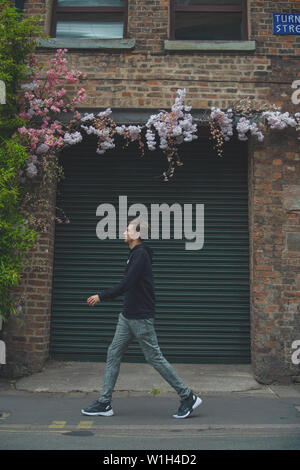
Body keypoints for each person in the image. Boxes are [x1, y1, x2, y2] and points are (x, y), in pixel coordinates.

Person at [81, 217, 202, 419]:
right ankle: (104, 403)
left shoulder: (140, 255)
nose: (123, 233)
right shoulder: (134, 254)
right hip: (127, 316)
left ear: (136, 234)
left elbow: (126, 283)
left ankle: (187, 396)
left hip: (139, 317)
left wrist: (101, 296)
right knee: (113, 353)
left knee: (154, 357)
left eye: (127, 230)